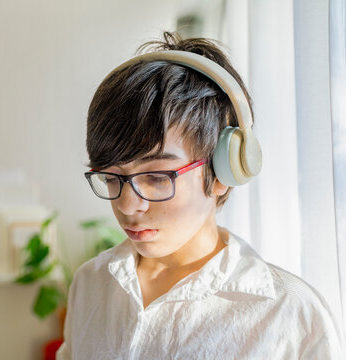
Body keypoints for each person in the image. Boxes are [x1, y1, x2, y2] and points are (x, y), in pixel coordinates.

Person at [56, 32, 343, 359]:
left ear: (223, 170)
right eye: (111, 177)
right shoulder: (91, 284)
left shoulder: (289, 316)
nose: (127, 205)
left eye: (156, 176)